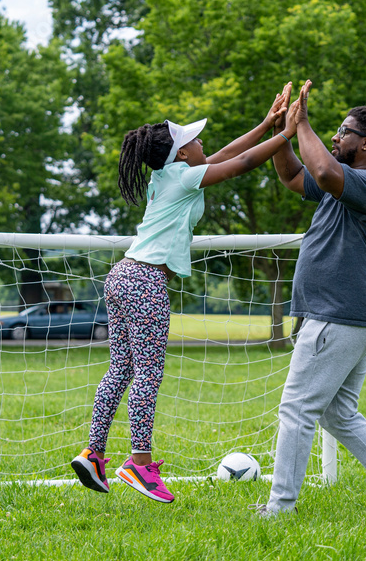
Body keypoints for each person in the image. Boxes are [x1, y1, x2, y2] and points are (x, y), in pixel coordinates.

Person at [72, 83, 296, 504]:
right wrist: (287, 134)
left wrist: (268, 123)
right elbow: (241, 162)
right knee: (147, 375)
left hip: (121, 276)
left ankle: (94, 453)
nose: (200, 142)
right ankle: (139, 461)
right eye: (192, 139)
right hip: (145, 283)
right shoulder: (185, 176)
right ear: (181, 154)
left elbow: (227, 155)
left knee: (120, 370)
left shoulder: (168, 176)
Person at [255, 80, 366, 516]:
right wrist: (282, 131)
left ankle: (279, 508)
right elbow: (294, 175)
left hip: (339, 318)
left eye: (343, 131)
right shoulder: (345, 182)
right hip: (353, 319)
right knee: (339, 415)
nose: (335, 138)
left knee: (296, 409)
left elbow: (322, 171)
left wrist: (304, 123)